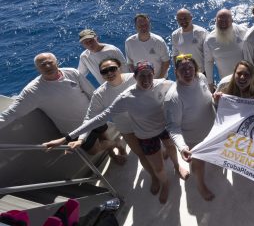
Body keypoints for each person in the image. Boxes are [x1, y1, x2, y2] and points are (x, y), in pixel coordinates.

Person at [43, 61, 189, 204]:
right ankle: (163, 183)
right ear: (135, 77)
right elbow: (97, 118)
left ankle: (177, 166)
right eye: (141, 76)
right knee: (156, 165)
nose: (146, 80)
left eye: (149, 75)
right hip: (142, 133)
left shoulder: (163, 84)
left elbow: (183, 88)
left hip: (163, 127)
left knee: (170, 147)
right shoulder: (125, 97)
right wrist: (68, 138)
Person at [0, 53, 121, 157]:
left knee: (103, 136)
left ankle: (113, 154)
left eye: (49, 62)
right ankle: (115, 144)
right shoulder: (32, 91)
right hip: (73, 128)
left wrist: (100, 111)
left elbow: (91, 93)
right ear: (37, 69)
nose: (47, 66)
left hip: (94, 116)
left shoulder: (72, 73)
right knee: (93, 150)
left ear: (56, 62)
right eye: (42, 65)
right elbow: (12, 113)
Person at [71, 58, 161, 193]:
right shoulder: (100, 94)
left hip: (147, 122)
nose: (109, 73)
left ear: (120, 67)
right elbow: (90, 118)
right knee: (141, 154)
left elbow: (159, 88)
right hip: (127, 128)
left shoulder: (135, 77)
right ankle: (155, 177)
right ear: (101, 74)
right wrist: (81, 139)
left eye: (112, 68)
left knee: (159, 148)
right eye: (104, 71)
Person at [164, 54, 216, 201]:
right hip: (194, 139)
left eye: (190, 68)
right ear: (176, 72)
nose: (187, 72)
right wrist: (182, 147)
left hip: (212, 131)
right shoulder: (173, 97)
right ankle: (200, 186)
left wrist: (215, 99)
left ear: (196, 69)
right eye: (182, 69)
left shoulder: (201, 78)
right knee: (199, 166)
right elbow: (173, 127)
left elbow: (207, 98)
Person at [203, 9, 247, 92]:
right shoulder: (209, 40)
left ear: (232, 21)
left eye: (226, 21)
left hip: (246, 80)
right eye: (220, 21)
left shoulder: (243, 31)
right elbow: (208, 62)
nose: (223, 24)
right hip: (226, 82)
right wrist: (210, 84)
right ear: (215, 21)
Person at [125, 14, 170, 79]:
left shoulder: (159, 41)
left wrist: (159, 79)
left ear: (150, 25)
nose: (143, 27)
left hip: (159, 79)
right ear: (135, 26)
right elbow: (130, 63)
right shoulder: (129, 42)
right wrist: (137, 77)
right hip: (141, 81)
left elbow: (166, 62)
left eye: (146, 25)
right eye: (140, 25)